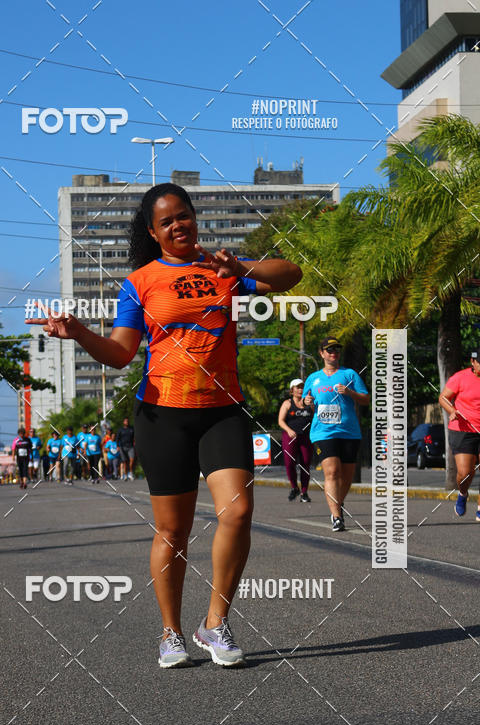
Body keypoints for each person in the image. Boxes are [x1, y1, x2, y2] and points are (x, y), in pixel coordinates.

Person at [29, 182, 302, 668]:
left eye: (184, 215)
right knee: (172, 532)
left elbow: (292, 274)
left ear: (195, 217)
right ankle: (170, 632)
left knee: (237, 515)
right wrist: (78, 332)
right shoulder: (140, 283)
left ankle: (214, 623)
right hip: (164, 415)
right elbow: (119, 354)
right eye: (167, 221)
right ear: (154, 233)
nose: (179, 225)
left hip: (222, 409)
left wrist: (241, 268)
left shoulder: (224, 269)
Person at [304, 337, 369, 532]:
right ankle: (337, 516)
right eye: (329, 350)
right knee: (332, 472)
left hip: (349, 431)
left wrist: (350, 393)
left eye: (337, 350)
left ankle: (337, 504)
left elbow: (366, 399)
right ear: (321, 353)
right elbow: (306, 400)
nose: (334, 353)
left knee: (346, 477)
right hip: (322, 432)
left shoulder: (349, 374)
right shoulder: (313, 378)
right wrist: (307, 401)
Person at [439, 348, 480, 520]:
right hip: (463, 429)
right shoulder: (460, 377)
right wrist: (452, 410)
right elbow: (443, 398)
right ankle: (463, 494)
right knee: (465, 473)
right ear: (473, 362)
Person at [278, 378, 313, 502]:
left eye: (302, 387)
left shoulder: (310, 403)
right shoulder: (287, 403)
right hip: (290, 436)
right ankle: (294, 487)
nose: (300, 389)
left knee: (306, 464)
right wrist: (288, 430)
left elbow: (315, 418)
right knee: (289, 463)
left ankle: (304, 492)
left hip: (305, 437)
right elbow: (280, 420)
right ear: (292, 390)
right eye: (297, 387)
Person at [118, 416, 136, 481]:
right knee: (125, 462)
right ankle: (125, 475)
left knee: (132, 460)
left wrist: (135, 442)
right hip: (123, 447)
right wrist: (118, 446)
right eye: (125, 421)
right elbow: (118, 438)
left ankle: (130, 473)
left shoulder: (131, 429)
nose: (127, 422)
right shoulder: (121, 430)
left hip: (130, 447)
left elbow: (135, 436)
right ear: (123, 422)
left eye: (128, 421)